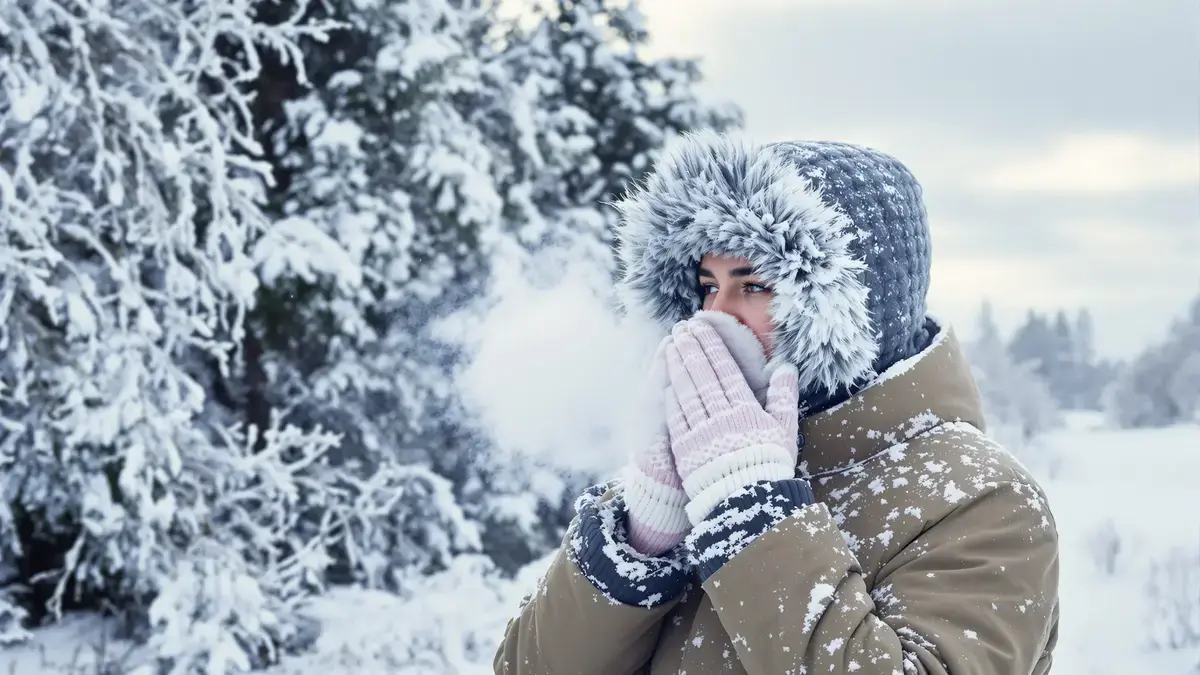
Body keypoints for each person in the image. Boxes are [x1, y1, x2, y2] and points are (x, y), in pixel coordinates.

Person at [493, 130, 1059, 675]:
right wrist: (640, 540)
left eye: (755, 284)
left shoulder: (980, 500)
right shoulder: (691, 462)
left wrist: (751, 511)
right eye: (707, 285)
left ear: (853, 305)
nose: (715, 313)